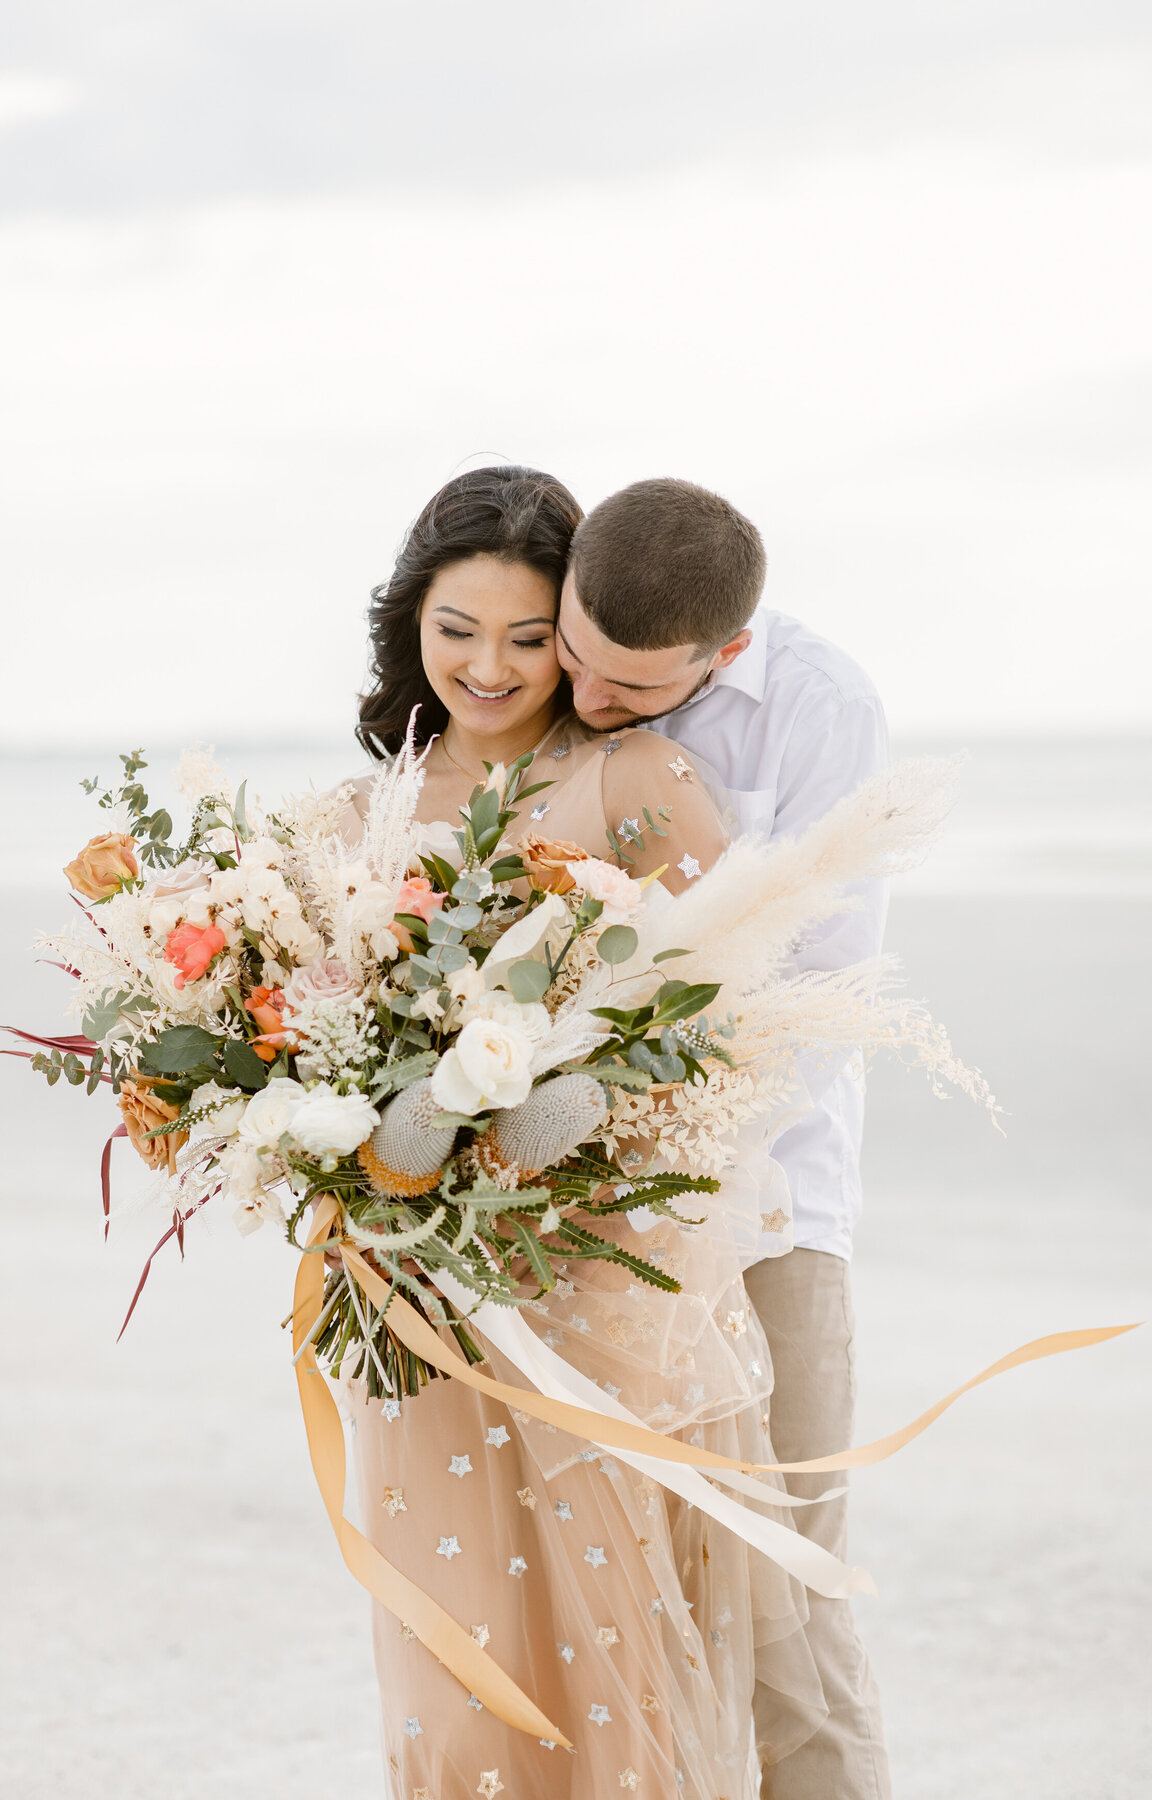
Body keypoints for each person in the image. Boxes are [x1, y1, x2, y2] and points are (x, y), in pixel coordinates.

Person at [341, 465, 835, 1799]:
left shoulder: (637, 775)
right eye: (457, 632)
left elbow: (723, 1038)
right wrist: (338, 1142)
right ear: (412, 628)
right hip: (417, 1296)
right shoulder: (362, 811)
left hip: (600, 1292)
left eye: (523, 635)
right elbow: (308, 1028)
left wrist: (573, 1117)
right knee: (454, 1665)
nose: (491, 669)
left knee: (614, 1655)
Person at [556, 477, 892, 1800]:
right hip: (574, 1223)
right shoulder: (553, 652)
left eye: (630, 694)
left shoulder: (824, 714)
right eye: (576, 658)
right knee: (625, 1616)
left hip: (768, 1212)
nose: (584, 701)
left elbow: (815, 994)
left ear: (724, 654)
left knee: (787, 1611)